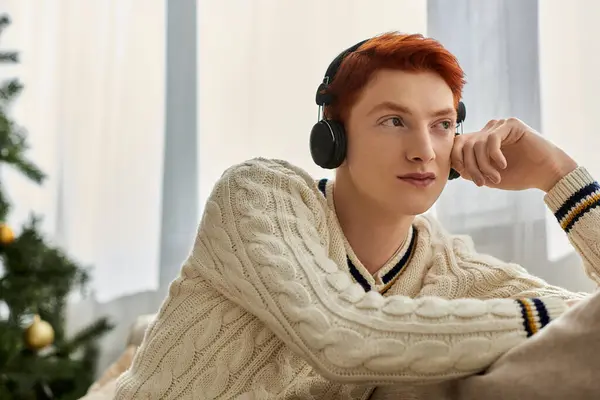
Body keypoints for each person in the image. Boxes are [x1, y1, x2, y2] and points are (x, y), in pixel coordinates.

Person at [114, 32, 599, 400]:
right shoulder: (259, 193)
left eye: (443, 125)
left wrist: (560, 176)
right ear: (333, 138)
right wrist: (552, 315)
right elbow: (343, 334)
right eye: (394, 121)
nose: (424, 151)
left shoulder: (455, 272)